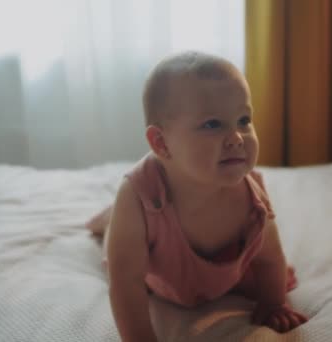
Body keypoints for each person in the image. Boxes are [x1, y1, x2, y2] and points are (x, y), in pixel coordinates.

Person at [86, 51, 308, 341]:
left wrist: (273, 303)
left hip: (215, 279)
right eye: (213, 124)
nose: (237, 137)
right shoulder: (139, 198)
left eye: (243, 120)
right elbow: (126, 282)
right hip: (160, 274)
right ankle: (109, 220)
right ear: (161, 143)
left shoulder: (250, 197)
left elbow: (269, 259)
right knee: (119, 247)